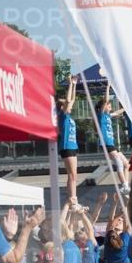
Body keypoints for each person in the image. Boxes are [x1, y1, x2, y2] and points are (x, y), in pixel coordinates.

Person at [96, 93, 130, 192]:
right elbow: (105, 100)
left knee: (127, 164)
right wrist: (108, 86)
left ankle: (125, 185)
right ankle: (124, 185)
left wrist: (126, 108)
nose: (110, 106)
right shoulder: (101, 115)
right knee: (119, 163)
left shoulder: (107, 115)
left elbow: (117, 112)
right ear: (104, 106)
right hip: (106, 143)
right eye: (108, 104)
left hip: (111, 143)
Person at [57, 76, 79, 204]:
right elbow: (69, 99)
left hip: (72, 146)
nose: (70, 105)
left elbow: (72, 99)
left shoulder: (68, 116)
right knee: (72, 175)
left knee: (73, 175)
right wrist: (70, 84)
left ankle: (71, 199)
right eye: (66, 104)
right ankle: (73, 200)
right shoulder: (62, 115)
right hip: (66, 146)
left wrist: (75, 84)